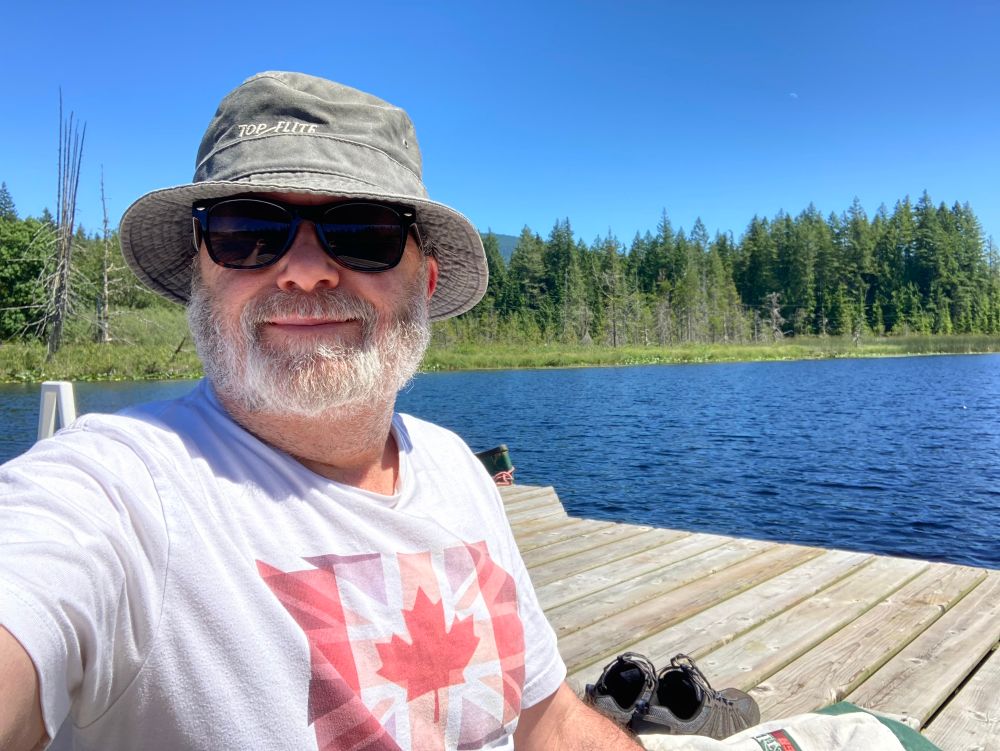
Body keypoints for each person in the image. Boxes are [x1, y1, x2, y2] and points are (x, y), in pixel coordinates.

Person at [0, 72, 639, 750]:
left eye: (363, 232)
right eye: (246, 232)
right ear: (201, 275)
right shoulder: (118, 491)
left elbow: (549, 722)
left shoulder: (455, 468)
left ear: (422, 283)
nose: (305, 270)